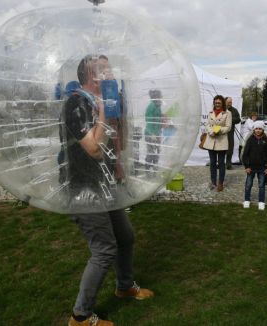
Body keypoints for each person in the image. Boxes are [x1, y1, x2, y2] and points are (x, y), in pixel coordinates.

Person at [61, 54, 153, 326]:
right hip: (84, 188)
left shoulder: (98, 101)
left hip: (104, 182)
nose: (111, 72)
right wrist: (104, 106)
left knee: (125, 237)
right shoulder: (76, 103)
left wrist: (119, 163)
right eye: (104, 69)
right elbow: (93, 149)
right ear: (91, 76)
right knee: (103, 249)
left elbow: (112, 143)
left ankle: (124, 286)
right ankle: (80, 316)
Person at [242, 120, 267, 210]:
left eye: (260, 129)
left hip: (262, 168)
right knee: (248, 184)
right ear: (254, 130)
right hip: (251, 167)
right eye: (256, 129)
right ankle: (247, 200)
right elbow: (245, 155)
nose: (258, 130)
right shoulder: (250, 140)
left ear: (263, 129)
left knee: (261, 185)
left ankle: (261, 201)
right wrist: (246, 166)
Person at [202, 95, 232, 191]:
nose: (217, 104)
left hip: (221, 141)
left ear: (222, 103)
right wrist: (211, 131)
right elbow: (207, 124)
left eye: (219, 103)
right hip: (211, 140)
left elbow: (228, 127)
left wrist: (218, 130)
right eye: (215, 103)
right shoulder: (211, 113)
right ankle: (213, 182)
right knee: (213, 163)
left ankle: (220, 183)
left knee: (221, 163)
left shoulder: (228, 113)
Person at [145, 89, 165, 175]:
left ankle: (154, 168)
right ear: (156, 97)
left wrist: (163, 119)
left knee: (157, 151)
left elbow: (158, 119)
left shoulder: (158, 106)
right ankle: (148, 168)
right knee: (151, 152)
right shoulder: (151, 106)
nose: (161, 97)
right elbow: (149, 121)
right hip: (151, 134)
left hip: (157, 133)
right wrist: (152, 134)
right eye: (160, 96)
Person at [225, 97, 241, 169]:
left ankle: (228, 164)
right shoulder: (221, 109)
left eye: (231, 102)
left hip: (230, 133)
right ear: (225, 102)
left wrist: (230, 119)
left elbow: (238, 119)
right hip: (220, 133)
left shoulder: (234, 110)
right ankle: (220, 163)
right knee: (220, 149)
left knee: (230, 149)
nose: (229, 104)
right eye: (228, 102)